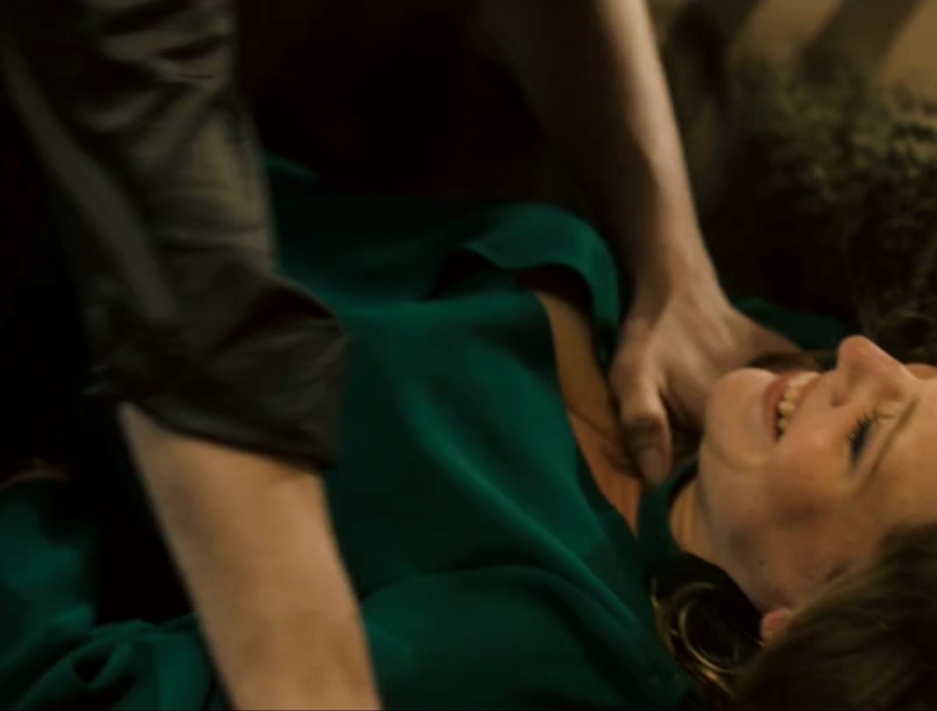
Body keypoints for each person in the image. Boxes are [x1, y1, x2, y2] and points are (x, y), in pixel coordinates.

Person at [0, 1, 790, 708]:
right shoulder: (759, 383)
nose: (855, 356)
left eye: (855, 444)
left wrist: (30, 495)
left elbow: (72, 681)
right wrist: (670, 259)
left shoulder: (551, 647)